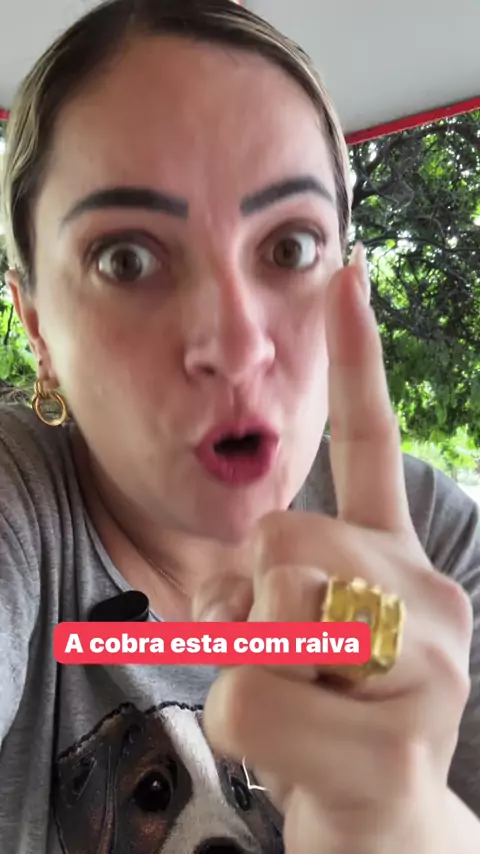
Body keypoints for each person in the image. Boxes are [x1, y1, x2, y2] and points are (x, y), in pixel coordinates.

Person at [0, 0, 479, 851]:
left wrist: (413, 828)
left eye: (290, 247)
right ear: (37, 327)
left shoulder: (436, 545)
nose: (234, 344)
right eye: (126, 260)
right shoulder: (19, 503)